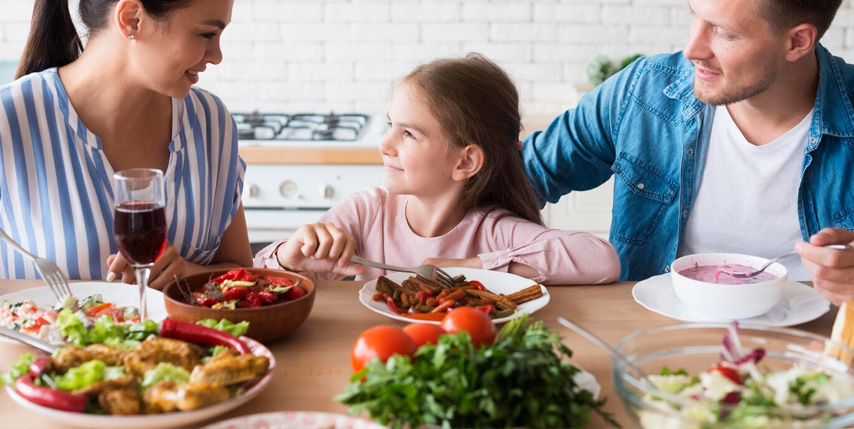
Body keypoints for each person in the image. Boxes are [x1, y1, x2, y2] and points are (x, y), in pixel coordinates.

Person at [521, 0, 854, 301]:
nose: (692, 49)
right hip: (653, 340)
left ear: (797, 42)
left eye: (724, 33)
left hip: (815, 350)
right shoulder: (642, 92)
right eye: (694, 16)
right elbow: (516, 178)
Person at [255, 54, 620, 285]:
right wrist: (290, 257)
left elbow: (602, 260)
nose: (384, 144)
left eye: (409, 134)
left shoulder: (492, 231)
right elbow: (260, 275)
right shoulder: (366, 213)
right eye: (390, 125)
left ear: (465, 162)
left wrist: (470, 266)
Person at [0, 0, 252, 289]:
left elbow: (241, 273)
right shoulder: (8, 123)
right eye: (207, 34)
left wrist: (187, 273)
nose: (217, 56)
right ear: (132, 19)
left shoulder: (211, 122)